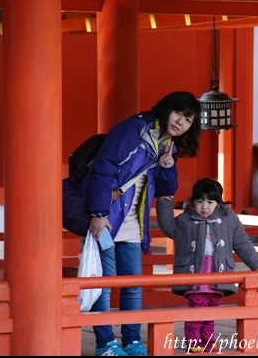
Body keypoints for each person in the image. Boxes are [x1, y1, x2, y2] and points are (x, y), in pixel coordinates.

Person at [84, 91, 202, 356]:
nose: (181, 122)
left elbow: (164, 190)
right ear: (166, 109)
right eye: (178, 114)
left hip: (133, 221)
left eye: (188, 120)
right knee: (103, 283)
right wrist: (99, 212)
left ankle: (132, 341)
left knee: (133, 284)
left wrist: (168, 166)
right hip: (109, 215)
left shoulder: (167, 142)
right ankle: (106, 344)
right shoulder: (135, 128)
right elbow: (104, 167)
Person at [156, 178, 258, 353]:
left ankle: (208, 340)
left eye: (210, 202)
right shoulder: (186, 219)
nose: (204, 206)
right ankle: (194, 343)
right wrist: (164, 202)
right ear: (193, 201)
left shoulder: (229, 218)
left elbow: (242, 242)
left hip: (218, 274)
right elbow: (168, 226)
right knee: (196, 311)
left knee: (212, 311)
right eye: (199, 201)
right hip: (195, 275)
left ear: (218, 202)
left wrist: (255, 263)